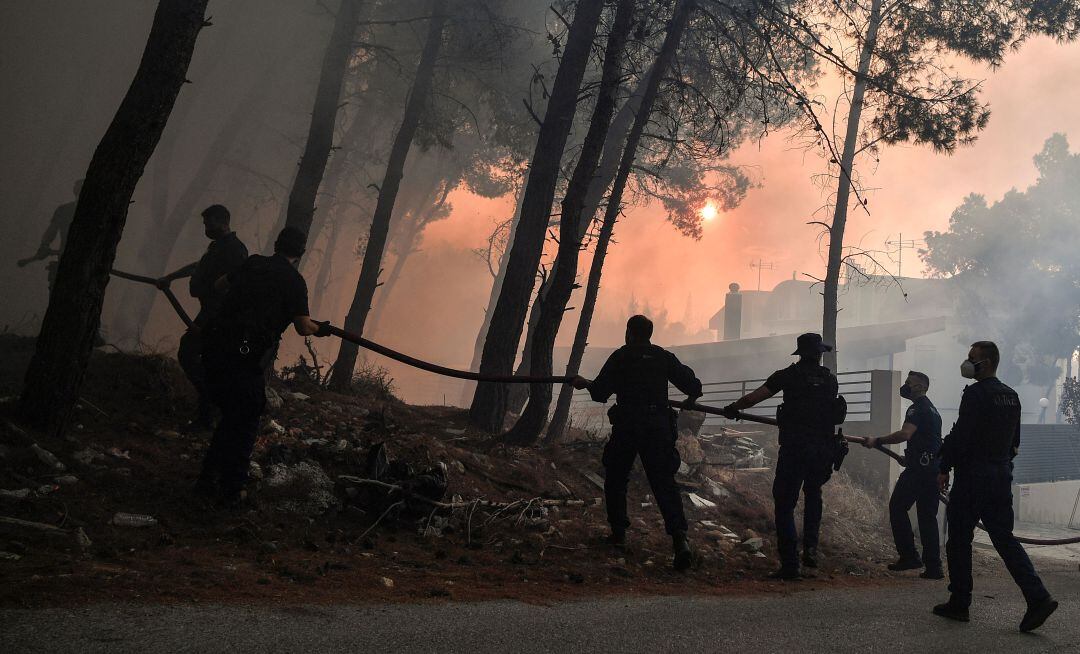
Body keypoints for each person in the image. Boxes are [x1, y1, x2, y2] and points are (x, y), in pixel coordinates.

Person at [196, 226, 330, 507]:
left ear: (277, 244)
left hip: (214, 347)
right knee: (245, 420)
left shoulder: (253, 262)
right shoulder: (293, 281)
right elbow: (304, 327)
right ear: (300, 253)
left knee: (232, 417)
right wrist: (321, 329)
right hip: (243, 357)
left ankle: (207, 481)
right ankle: (233, 490)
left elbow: (220, 284)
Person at [932, 341, 1058, 632]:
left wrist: (943, 465)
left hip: (974, 476)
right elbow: (1015, 443)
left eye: (971, 358)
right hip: (1000, 476)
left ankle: (960, 603)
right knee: (1005, 539)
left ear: (986, 363)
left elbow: (962, 435)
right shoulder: (1011, 396)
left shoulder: (976, 394)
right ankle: (1038, 596)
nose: (967, 362)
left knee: (959, 539)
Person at [571, 315, 702, 571]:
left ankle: (618, 533)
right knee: (665, 484)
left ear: (629, 332)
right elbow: (693, 385)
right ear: (649, 334)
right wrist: (690, 402)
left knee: (617, 478)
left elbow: (600, 393)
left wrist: (584, 383)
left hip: (628, 426)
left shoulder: (621, 357)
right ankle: (680, 541)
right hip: (657, 428)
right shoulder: (662, 357)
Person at [722, 333, 844, 580]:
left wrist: (733, 408)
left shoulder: (788, 375)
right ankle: (810, 549)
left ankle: (790, 564)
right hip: (822, 450)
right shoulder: (830, 380)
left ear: (800, 353)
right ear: (819, 354)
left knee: (785, 504)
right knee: (813, 497)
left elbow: (755, 397)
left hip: (795, 448)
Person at [156, 205, 249, 431]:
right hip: (209, 312)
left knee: (190, 353)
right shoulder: (217, 247)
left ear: (222, 221)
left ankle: (211, 411)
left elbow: (234, 286)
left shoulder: (235, 250)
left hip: (218, 316)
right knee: (202, 361)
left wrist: (211, 321)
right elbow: (199, 267)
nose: (206, 229)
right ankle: (208, 413)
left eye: (209, 224)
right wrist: (171, 277)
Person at [861, 371, 943, 579]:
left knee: (897, 507)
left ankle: (909, 556)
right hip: (931, 469)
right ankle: (934, 567)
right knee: (927, 517)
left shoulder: (917, 408)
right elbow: (929, 441)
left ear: (920, 387)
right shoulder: (933, 410)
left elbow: (905, 434)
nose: (905, 386)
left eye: (909, 383)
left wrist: (877, 440)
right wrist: (911, 457)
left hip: (919, 471)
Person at [24, 179, 82, 289]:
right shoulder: (64, 210)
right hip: (64, 262)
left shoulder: (66, 210)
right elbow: (51, 231)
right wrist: (44, 246)